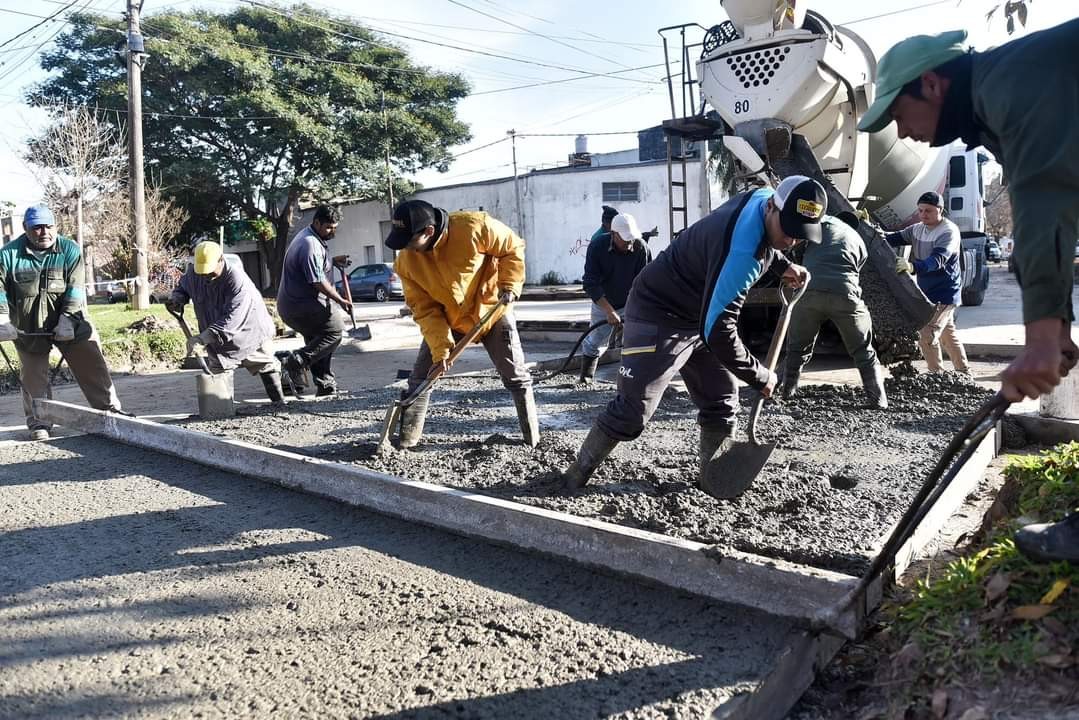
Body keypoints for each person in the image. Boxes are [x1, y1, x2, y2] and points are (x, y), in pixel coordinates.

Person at [857, 22, 1079, 561]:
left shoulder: (1010, 87)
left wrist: (1044, 335)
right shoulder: (1001, 99)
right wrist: (1057, 324)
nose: (902, 133)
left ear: (931, 85)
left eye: (898, 115)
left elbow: (1043, 201)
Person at [561, 175, 821, 491]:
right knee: (632, 410)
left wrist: (782, 265)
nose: (792, 242)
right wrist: (760, 376)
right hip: (658, 310)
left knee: (722, 401)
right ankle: (573, 478)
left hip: (699, 314)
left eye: (800, 235)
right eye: (788, 231)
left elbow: (714, 324)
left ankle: (714, 484)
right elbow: (719, 333)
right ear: (771, 207)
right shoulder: (741, 255)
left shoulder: (763, 195)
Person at [385, 199, 538, 448]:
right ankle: (406, 442)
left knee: (516, 376)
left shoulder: (474, 227)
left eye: (410, 242)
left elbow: (512, 248)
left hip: (492, 311)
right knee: (421, 378)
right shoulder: (406, 262)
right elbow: (424, 309)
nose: (407, 250)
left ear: (428, 232)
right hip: (449, 319)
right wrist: (441, 349)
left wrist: (509, 284)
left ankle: (532, 438)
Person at [0, 203, 124, 440]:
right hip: (28, 327)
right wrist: (2, 319)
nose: (44, 232)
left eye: (49, 226)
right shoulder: (8, 255)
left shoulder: (69, 249)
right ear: (25, 228)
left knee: (92, 364)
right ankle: (39, 423)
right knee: (33, 376)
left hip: (71, 321)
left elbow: (76, 289)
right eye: (37, 228)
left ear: (56, 226)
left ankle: (110, 412)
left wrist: (67, 319)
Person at [782, 211, 888, 409]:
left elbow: (796, 243)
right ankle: (878, 399)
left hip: (810, 291)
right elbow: (856, 270)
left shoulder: (824, 222)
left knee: (797, 347)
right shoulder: (859, 241)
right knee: (863, 349)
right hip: (845, 294)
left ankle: (787, 391)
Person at [167, 241, 285, 405]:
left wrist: (201, 339)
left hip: (249, 334)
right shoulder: (195, 273)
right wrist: (177, 299)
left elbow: (232, 320)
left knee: (265, 363)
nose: (205, 275)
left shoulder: (237, 281)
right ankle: (225, 411)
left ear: (221, 260)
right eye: (201, 272)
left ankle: (279, 403)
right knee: (218, 376)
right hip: (217, 341)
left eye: (209, 271)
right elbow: (183, 287)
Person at [886, 191, 970, 374]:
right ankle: (964, 374)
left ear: (940, 210)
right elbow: (889, 239)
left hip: (945, 292)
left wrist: (912, 267)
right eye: (920, 210)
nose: (923, 215)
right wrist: (866, 227)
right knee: (948, 335)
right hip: (926, 291)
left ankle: (936, 376)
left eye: (928, 211)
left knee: (927, 335)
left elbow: (938, 260)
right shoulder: (917, 229)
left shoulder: (948, 231)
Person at [276, 204, 352, 397]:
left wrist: (333, 261)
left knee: (319, 340)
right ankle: (295, 361)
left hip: (297, 304)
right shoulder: (309, 243)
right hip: (300, 305)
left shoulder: (311, 238)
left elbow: (315, 267)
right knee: (334, 330)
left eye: (335, 228)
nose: (332, 232)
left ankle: (325, 385)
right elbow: (317, 280)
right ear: (316, 222)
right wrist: (341, 300)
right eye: (328, 227)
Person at [578, 212, 652, 385]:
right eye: (625, 239)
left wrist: (638, 308)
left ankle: (632, 382)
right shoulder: (597, 247)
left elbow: (646, 282)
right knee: (595, 342)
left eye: (631, 238)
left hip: (630, 301)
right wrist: (609, 311)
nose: (629, 243)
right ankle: (585, 381)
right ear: (613, 234)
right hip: (604, 301)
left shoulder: (641, 248)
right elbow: (590, 284)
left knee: (636, 341)